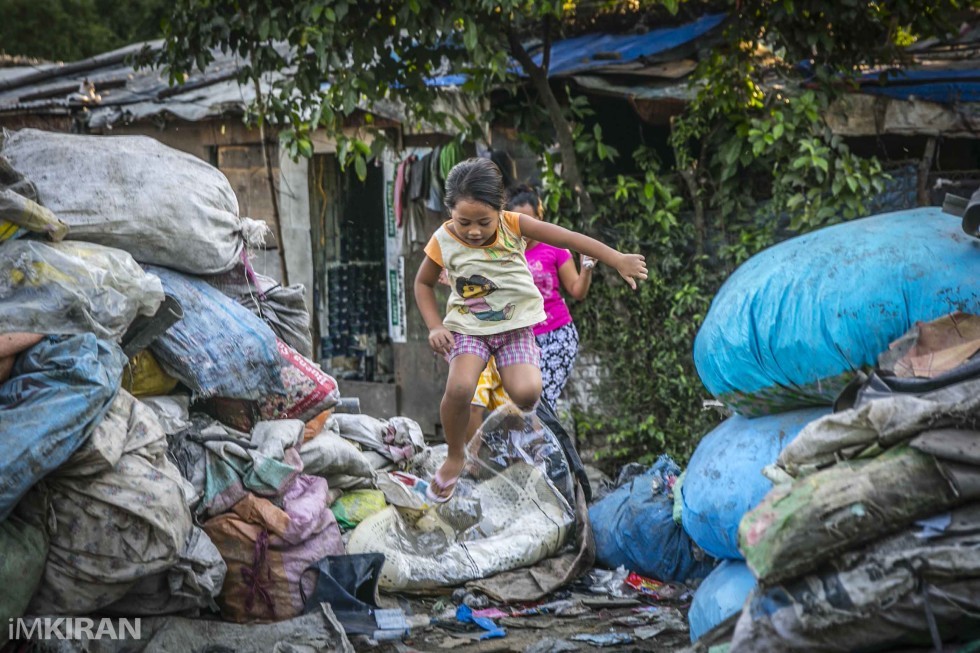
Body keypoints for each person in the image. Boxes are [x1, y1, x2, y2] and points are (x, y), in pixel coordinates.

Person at [414, 157, 647, 501]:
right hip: (469, 329)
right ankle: (455, 455)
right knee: (461, 388)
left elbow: (569, 237)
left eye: (483, 222)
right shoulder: (443, 240)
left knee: (526, 393)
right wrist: (435, 327)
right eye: (464, 222)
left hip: (515, 329)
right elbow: (422, 283)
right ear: (450, 212)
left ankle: (517, 447)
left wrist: (616, 259)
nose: (474, 231)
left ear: (501, 209)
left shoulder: (514, 225)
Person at [466, 184, 596, 438]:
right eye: (520, 220)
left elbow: (577, 291)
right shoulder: (503, 252)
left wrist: (587, 269)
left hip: (558, 336)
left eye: (531, 219)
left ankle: (549, 459)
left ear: (539, 218)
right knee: (522, 401)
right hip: (523, 340)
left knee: (540, 399)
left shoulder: (555, 249)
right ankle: (538, 457)